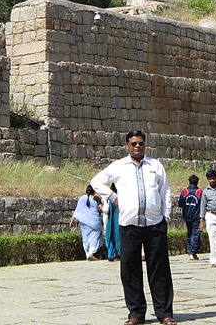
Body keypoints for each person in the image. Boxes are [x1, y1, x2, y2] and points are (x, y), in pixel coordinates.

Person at [91, 130, 176, 325]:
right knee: (130, 269)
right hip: (129, 225)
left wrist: (166, 217)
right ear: (127, 146)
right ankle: (136, 313)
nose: (137, 146)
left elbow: (166, 192)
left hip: (155, 224)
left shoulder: (155, 166)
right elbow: (96, 182)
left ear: (145, 145)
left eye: (140, 143)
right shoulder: (119, 166)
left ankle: (164, 313)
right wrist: (113, 198)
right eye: (134, 143)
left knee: (160, 269)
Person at [69, 184, 103, 260]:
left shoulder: (81, 199)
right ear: (94, 191)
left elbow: (77, 210)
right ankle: (91, 254)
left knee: (86, 238)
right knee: (95, 237)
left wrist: (72, 220)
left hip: (83, 223)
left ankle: (87, 254)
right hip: (94, 223)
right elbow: (100, 209)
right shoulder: (95, 200)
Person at [177, 174, 202, 260]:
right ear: (197, 182)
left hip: (187, 216)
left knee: (189, 233)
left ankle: (190, 251)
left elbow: (180, 204)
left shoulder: (184, 192)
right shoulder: (199, 192)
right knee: (196, 233)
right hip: (196, 216)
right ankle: (192, 252)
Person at [104, 183, 121, 261]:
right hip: (118, 218)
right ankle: (119, 253)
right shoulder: (119, 197)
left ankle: (110, 254)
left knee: (111, 236)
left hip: (110, 218)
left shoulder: (109, 197)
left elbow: (106, 209)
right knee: (118, 236)